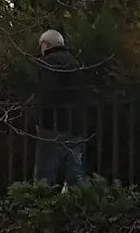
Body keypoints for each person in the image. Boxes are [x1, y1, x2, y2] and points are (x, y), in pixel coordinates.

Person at [33, 27, 95, 190]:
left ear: (46, 44)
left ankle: (41, 199)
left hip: (52, 125)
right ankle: (84, 199)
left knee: (45, 173)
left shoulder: (49, 62)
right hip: (75, 125)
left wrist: (39, 117)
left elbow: (46, 93)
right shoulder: (74, 62)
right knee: (75, 171)